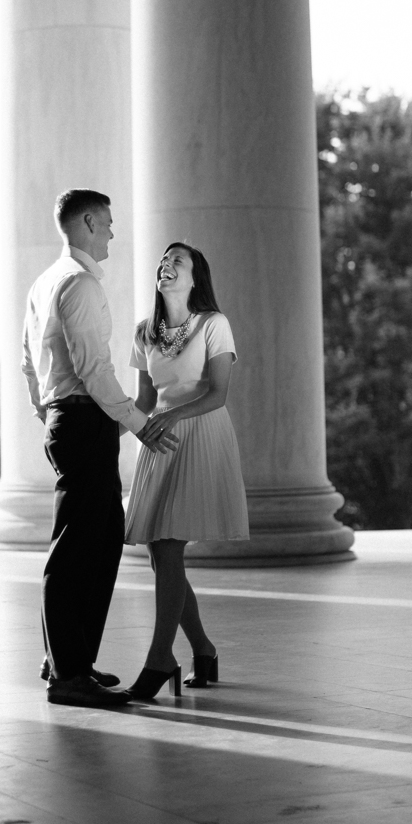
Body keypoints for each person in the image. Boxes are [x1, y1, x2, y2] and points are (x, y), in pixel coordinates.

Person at [22, 189, 178, 708]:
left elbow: (29, 364)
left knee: (91, 540)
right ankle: (69, 674)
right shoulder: (80, 284)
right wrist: (138, 423)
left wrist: (50, 415)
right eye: (107, 223)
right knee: (82, 548)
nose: (112, 231)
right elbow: (94, 370)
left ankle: (69, 661)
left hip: (70, 419)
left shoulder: (45, 282)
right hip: (82, 418)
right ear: (88, 222)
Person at [124, 242, 249, 700]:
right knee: (162, 555)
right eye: (163, 260)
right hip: (159, 442)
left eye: (177, 260)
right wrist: (118, 435)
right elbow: (142, 402)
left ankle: (160, 658)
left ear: (196, 277)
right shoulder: (143, 332)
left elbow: (218, 393)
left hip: (200, 433)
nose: (166, 265)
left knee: (170, 546)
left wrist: (172, 417)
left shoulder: (215, 324)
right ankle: (203, 648)